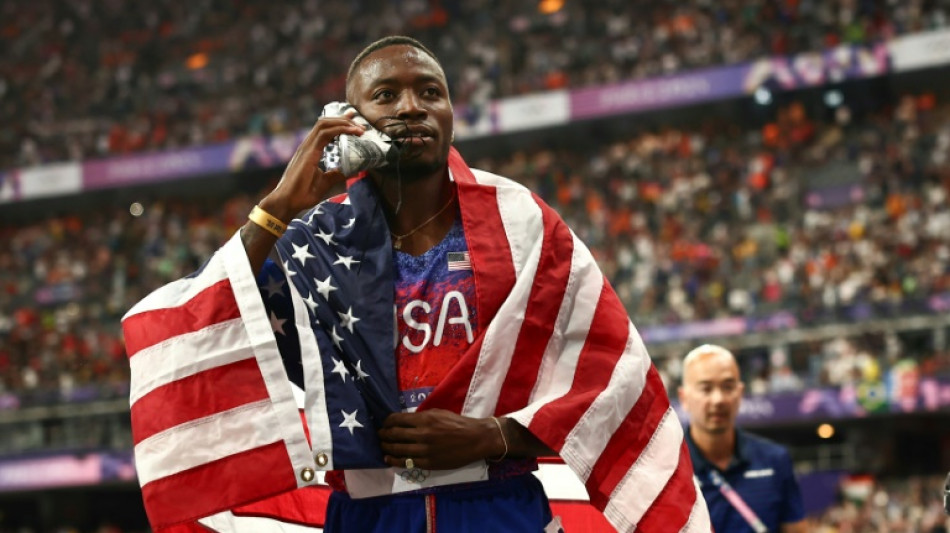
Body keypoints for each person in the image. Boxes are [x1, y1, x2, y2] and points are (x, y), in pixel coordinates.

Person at [122, 36, 710, 532]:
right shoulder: (313, 241)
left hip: (500, 506)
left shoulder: (521, 221)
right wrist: (278, 205)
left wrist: (492, 436)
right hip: (368, 514)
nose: (412, 107)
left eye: (431, 92)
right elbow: (197, 326)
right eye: (386, 95)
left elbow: (614, 385)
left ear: (451, 112)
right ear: (349, 122)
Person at [678, 344, 806, 533]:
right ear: (684, 398)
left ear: (740, 393)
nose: (718, 399)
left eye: (728, 387)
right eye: (706, 389)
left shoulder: (775, 460)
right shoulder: (667, 469)